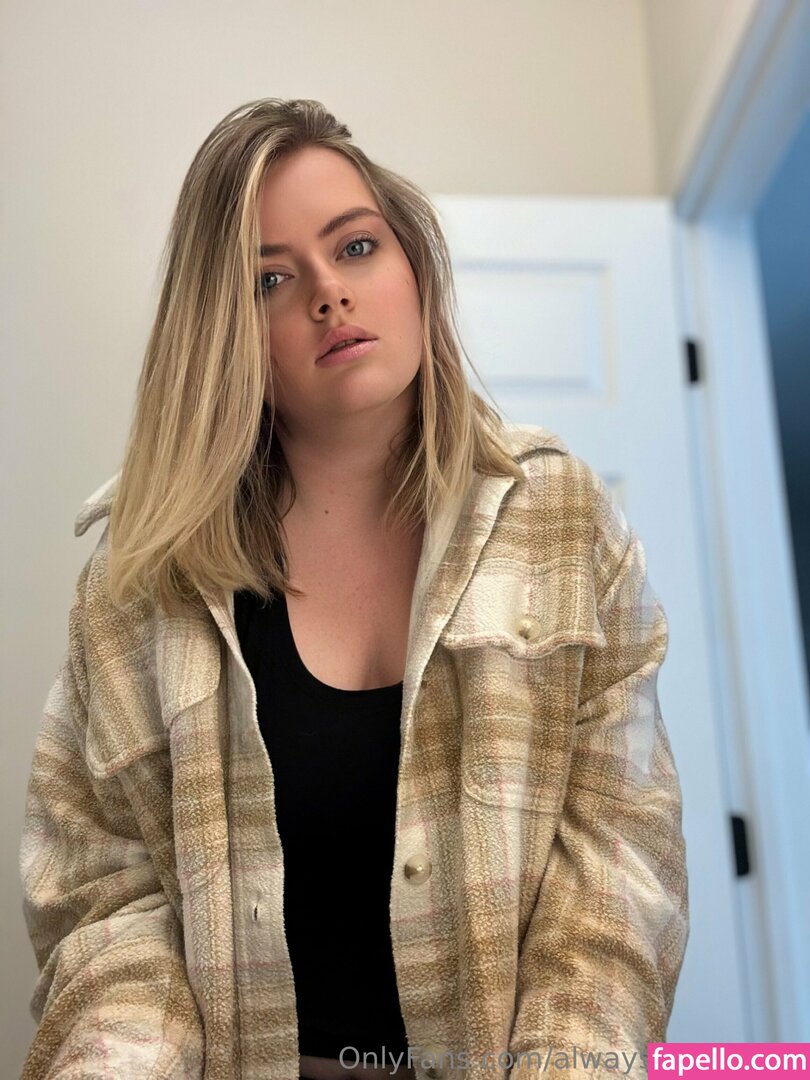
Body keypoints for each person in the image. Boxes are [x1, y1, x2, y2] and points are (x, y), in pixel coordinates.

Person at [19, 99, 689, 1080]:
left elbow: (617, 875)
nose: (329, 294)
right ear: (226, 333)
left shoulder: (564, 521)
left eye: (357, 247)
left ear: (415, 268)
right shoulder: (139, 587)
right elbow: (106, 905)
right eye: (272, 279)